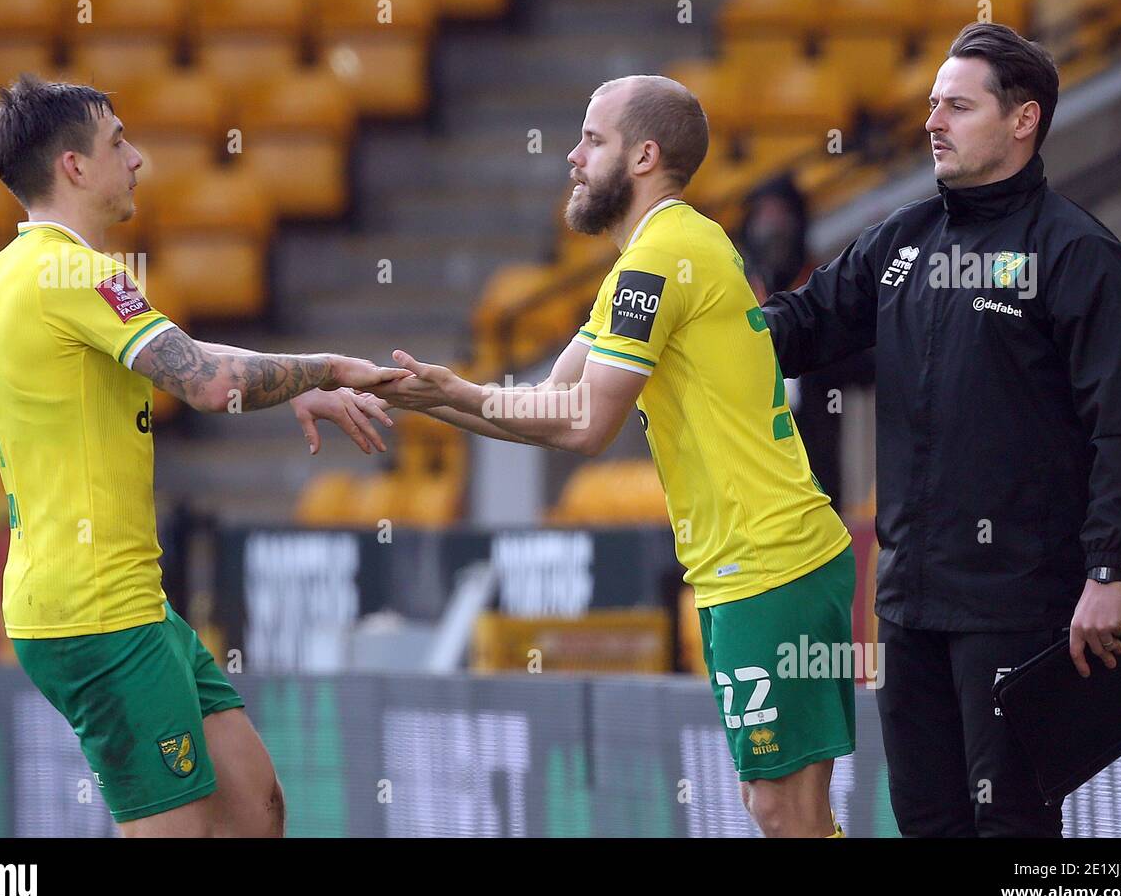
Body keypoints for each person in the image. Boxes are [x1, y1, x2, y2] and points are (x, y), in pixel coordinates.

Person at [345, 75, 857, 837]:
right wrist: (444, 396)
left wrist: (458, 393)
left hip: (770, 560)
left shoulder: (661, 259)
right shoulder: (654, 257)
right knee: (780, 805)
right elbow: (552, 401)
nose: (572, 157)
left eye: (593, 139)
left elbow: (582, 427)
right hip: (748, 564)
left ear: (644, 155)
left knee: (785, 808)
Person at [759, 23, 1121, 836]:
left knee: (1010, 827)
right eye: (932, 104)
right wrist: (674, 334)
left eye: (957, 105)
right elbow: (796, 328)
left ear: (1023, 121)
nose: (932, 122)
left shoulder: (1079, 253)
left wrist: (1106, 572)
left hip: (1018, 603)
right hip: (908, 605)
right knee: (927, 823)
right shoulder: (902, 240)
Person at [0, 74, 406, 837]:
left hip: (128, 603)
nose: (137, 158)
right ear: (73, 166)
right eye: (117, 143)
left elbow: (194, 357)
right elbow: (207, 382)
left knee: (256, 808)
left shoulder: (27, 269)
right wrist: (331, 368)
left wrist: (289, 386)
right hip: (96, 614)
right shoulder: (73, 272)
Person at [736, 177, 874, 511]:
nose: (772, 229)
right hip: (748, 473)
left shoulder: (825, 292)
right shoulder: (734, 290)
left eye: (780, 216)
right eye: (764, 217)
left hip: (817, 471)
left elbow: (868, 367)